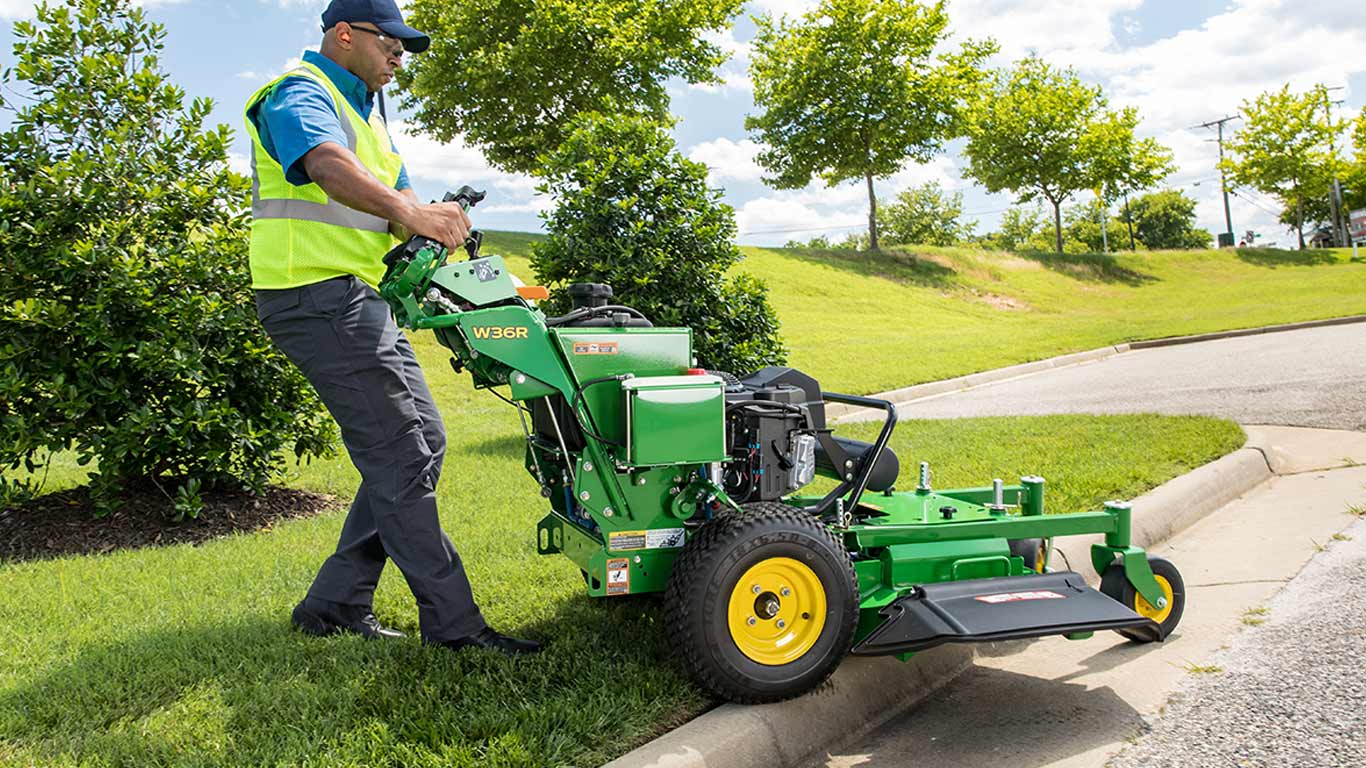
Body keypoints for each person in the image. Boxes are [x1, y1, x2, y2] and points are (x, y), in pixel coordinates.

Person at [245, 0, 540, 656]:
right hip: (314, 295)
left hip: (355, 298)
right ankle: (457, 629)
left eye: (404, 48)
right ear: (345, 34)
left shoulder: (369, 119)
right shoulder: (299, 93)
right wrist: (412, 208)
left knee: (422, 441)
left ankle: (334, 604)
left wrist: (438, 220)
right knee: (403, 453)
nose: (399, 56)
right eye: (391, 43)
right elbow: (322, 163)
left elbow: (403, 217)